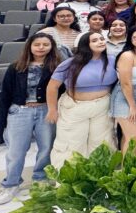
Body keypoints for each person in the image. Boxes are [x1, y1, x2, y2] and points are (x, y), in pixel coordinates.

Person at [0, 34, 60, 204]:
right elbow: (5, 94)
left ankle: (40, 180)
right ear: (29, 46)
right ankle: (11, 184)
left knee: (46, 148)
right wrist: (1, 121)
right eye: (37, 44)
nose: (41, 47)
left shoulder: (56, 67)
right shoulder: (16, 67)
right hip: (20, 111)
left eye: (45, 44)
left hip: (46, 110)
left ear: (51, 47)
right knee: (16, 150)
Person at [46, 32, 118, 168]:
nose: (100, 42)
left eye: (102, 39)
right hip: (74, 107)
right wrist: (52, 109)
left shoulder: (112, 60)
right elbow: (52, 87)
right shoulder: (70, 63)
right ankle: (68, 177)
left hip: (103, 106)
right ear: (85, 45)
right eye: (94, 40)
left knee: (102, 142)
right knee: (72, 143)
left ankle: (100, 175)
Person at [109, 26, 136, 154]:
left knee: (129, 136)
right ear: (130, 39)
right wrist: (132, 106)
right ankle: (129, 166)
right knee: (134, 136)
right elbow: (126, 83)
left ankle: (126, 165)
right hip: (125, 97)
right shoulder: (127, 55)